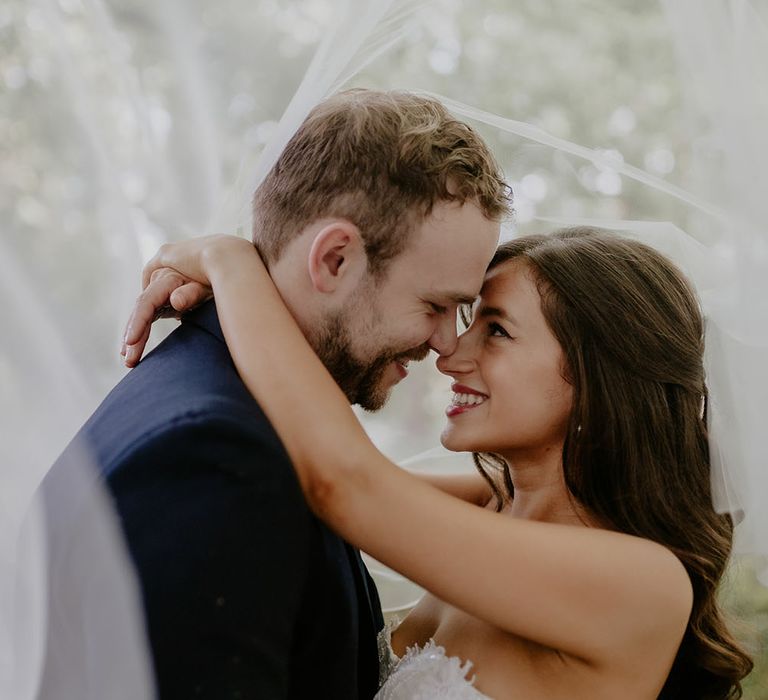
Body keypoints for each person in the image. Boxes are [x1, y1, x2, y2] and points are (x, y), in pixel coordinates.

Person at [124, 227, 754, 698]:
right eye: (464, 320)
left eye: (498, 330)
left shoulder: (643, 583)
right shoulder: (495, 505)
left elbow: (344, 481)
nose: (449, 354)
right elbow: (303, 460)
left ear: (597, 377)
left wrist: (230, 260)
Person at [49, 89, 510, 699]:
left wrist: (228, 258)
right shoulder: (215, 456)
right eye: (435, 305)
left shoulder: (251, 409)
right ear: (336, 259)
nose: (445, 343)